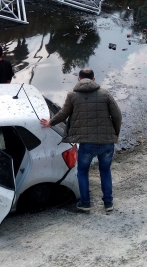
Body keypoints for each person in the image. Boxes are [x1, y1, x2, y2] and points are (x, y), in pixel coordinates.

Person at [40, 68, 122, 213]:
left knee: (82, 171)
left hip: (87, 144)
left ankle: (86, 203)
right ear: (94, 79)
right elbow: (117, 115)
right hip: (106, 142)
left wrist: (50, 122)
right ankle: (108, 203)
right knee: (105, 171)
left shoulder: (72, 96)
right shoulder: (105, 94)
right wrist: (116, 133)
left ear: (79, 79)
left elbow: (63, 114)